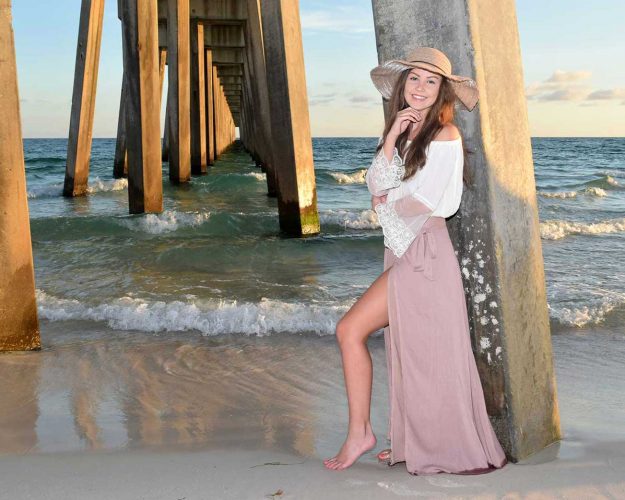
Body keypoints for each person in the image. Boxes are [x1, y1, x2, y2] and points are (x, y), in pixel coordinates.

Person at [323, 47, 507, 475]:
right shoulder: (405, 131)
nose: (420, 87)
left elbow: (435, 201)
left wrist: (385, 201)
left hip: (425, 252)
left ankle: (360, 435)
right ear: (402, 86)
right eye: (414, 79)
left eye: (430, 80)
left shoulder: (445, 135)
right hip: (403, 248)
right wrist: (390, 140)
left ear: (442, 89)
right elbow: (373, 180)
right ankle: (403, 438)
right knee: (411, 349)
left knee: (352, 330)